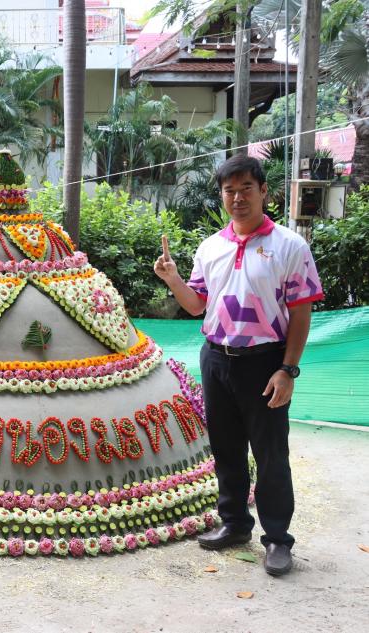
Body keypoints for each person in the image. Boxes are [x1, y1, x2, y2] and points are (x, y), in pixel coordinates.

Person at [154, 155, 323, 577]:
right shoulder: (211, 247)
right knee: (225, 448)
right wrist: (173, 278)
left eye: (246, 188)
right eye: (229, 190)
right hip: (216, 358)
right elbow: (196, 306)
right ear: (222, 195)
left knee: (270, 455)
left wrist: (288, 370)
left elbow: (301, 313)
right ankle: (234, 524)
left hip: (266, 362)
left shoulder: (290, 247)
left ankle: (278, 539)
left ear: (264, 191)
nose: (237, 197)